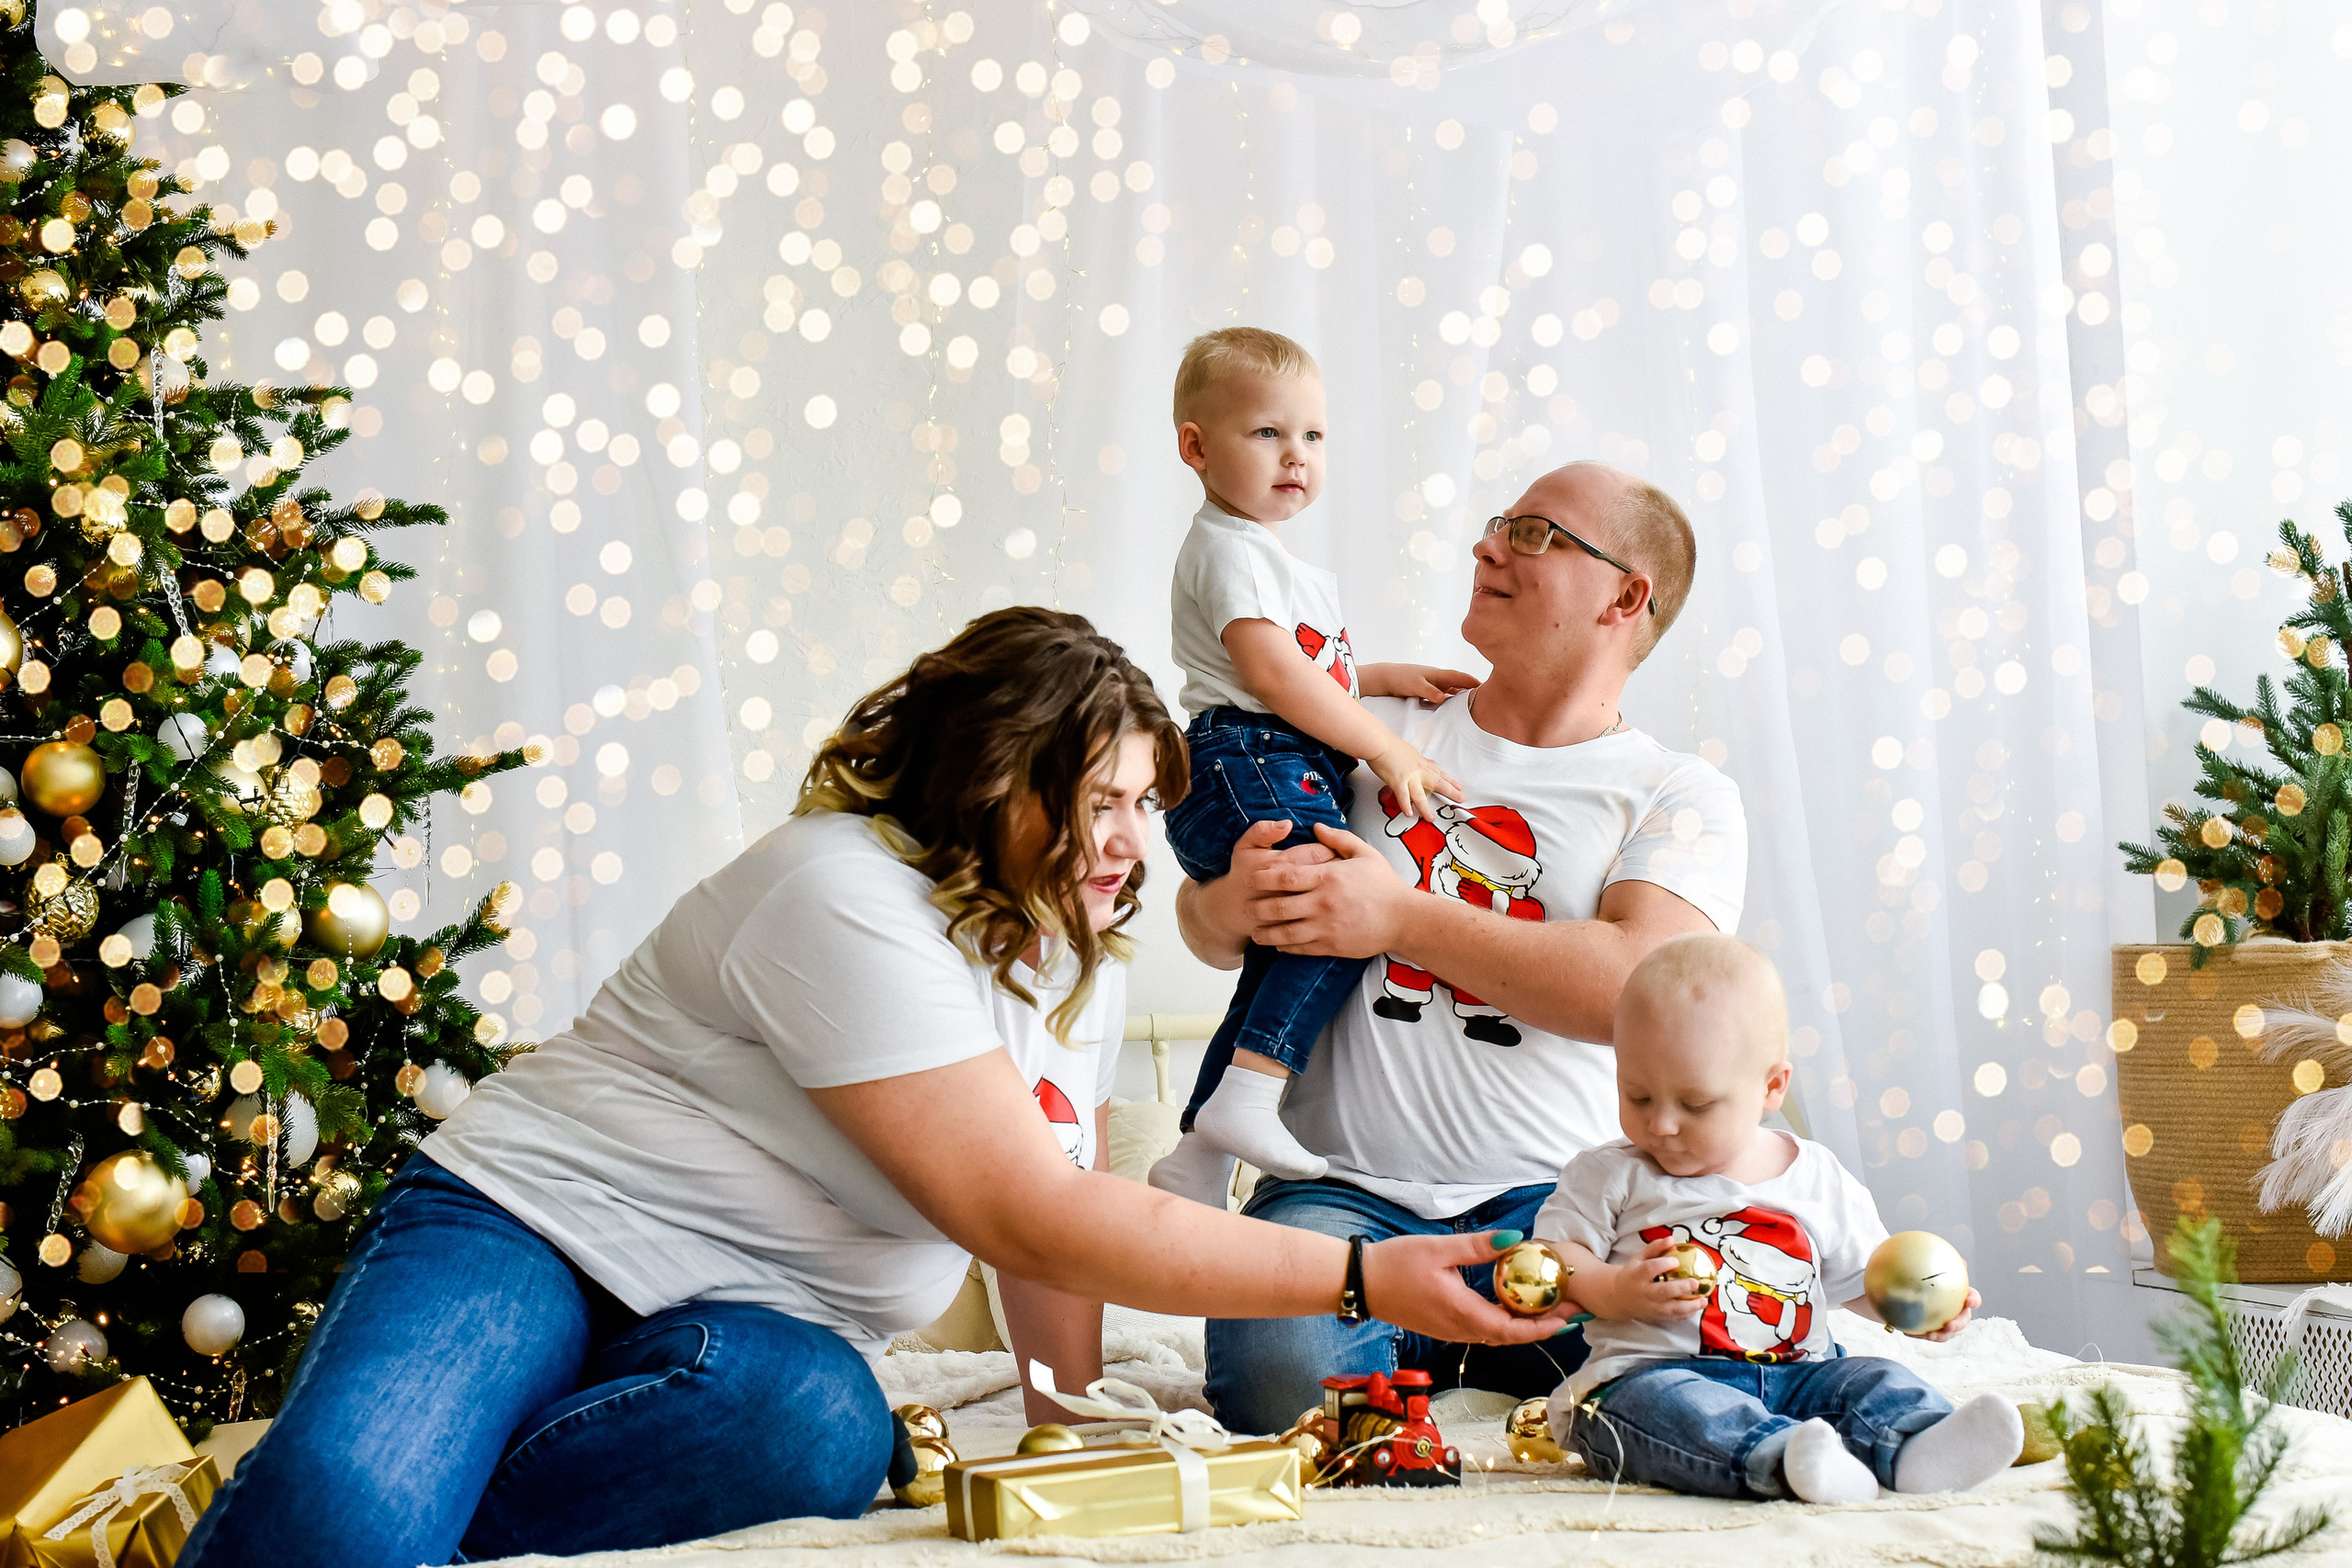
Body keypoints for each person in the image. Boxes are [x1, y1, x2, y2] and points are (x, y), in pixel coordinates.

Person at [180, 608, 1573, 1568]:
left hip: (754, 1333)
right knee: (341, 1500)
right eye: (1102, 798)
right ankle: (363, 1498)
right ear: (989, 772)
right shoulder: (840, 888)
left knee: (825, 1423)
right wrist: (1363, 1282)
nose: (1133, 843)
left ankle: (428, 1495)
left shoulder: (1058, 942)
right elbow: (1025, 1209)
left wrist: (1060, 1417)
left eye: (1146, 803)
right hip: (540, 1230)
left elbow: (1059, 1200)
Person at [1177, 461, 1750, 1435]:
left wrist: (1396, 918)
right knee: (1281, 1390)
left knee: (1706, 1375)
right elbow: (1204, 927)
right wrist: (1234, 900)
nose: (1487, 547)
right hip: (1334, 1198)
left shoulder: (1675, 791)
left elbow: (1636, 989)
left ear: (1625, 594)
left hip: (1559, 1212)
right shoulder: (1369, 730)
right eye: (1497, 526)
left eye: (1534, 534)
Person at [1149, 326, 1479, 1201]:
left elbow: (1288, 666)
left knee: (1285, 948)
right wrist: (1382, 739)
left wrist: (1372, 678)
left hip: (1264, 752)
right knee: (1341, 914)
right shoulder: (1229, 547)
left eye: (1313, 436)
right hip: (1249, 757)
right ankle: (1251, 1097)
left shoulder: (1264, 554)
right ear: (1196, 446)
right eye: (1266, 433)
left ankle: (1200, 1150)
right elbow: (1266, 676)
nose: (1294, 455)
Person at [1532, 933, 2018, 1502]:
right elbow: (1554, 1263)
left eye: (1695, 1104)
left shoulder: (1814, 1176)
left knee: (1872, 1380)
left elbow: (1865, 1280)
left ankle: (1916, 1448)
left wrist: (1917, 1308)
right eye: (1637, 1096)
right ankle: (1781, 1459)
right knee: (1639, 1413)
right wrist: (1616, 1290)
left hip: (1799, 1377)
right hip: (1654, 1374)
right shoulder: (1609, 1174)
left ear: (1771, 1087)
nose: (1661, 1124)